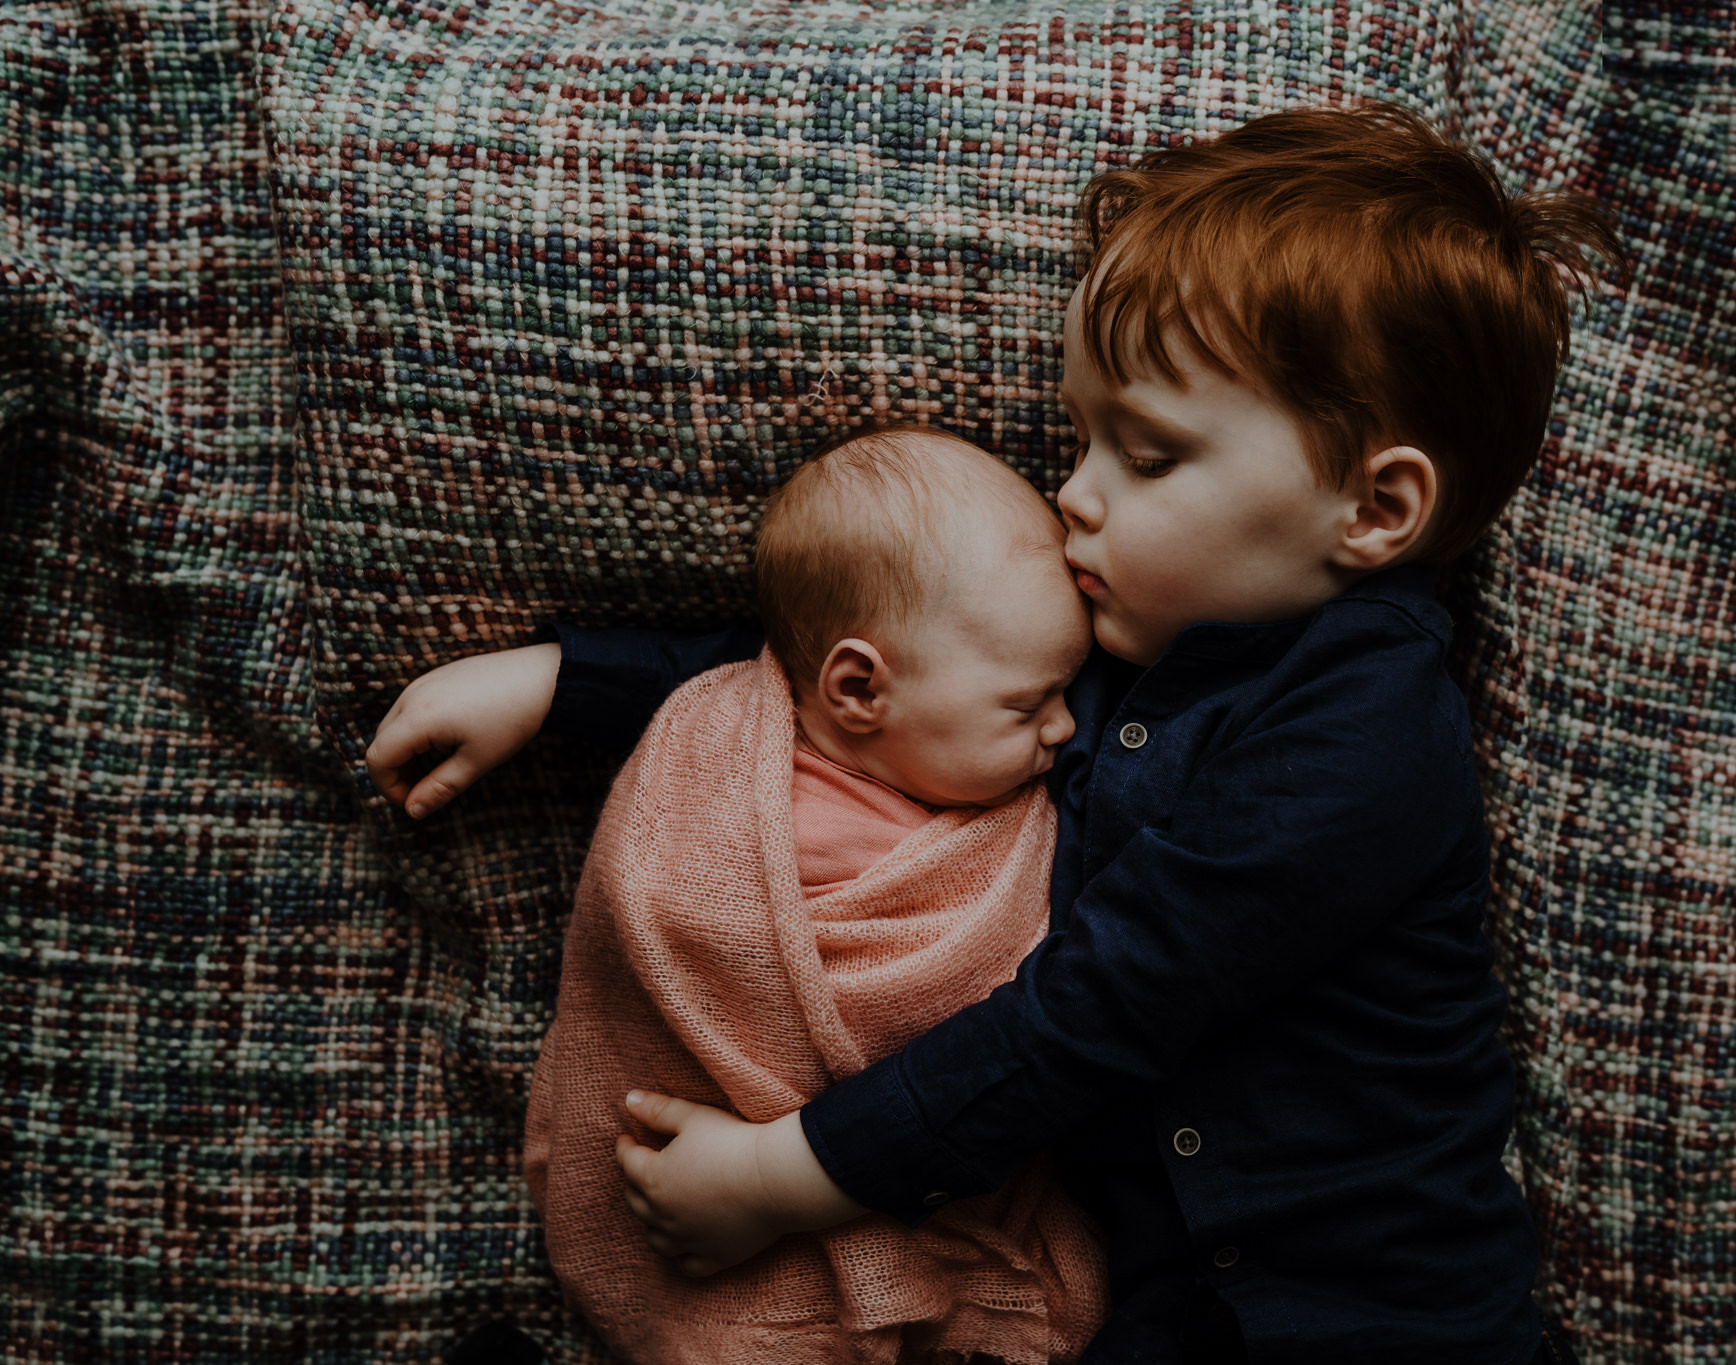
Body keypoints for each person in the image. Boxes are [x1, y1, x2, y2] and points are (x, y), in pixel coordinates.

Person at [370, 101, 1621, 1364]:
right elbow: (875, 678)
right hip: (1154, 1306)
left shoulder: (1367, 735)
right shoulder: (1128, 657)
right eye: (1082, 437)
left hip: (1377, 1316)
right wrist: (559, 683)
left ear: (1374, 505)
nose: (1072, 492)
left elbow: (1099, 1008)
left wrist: (796, 1176)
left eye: (1146, 454)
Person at [511, 426, 1106, 1364]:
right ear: (859, 687)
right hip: (699, 1171)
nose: (1067, 729)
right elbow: (669, 916)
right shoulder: (710, 759)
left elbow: (1009, 1032)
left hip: (839, 1174)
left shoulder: (991, 802)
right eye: (1029, 705)